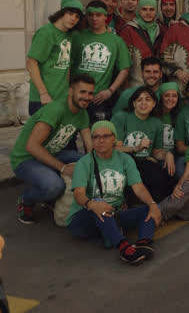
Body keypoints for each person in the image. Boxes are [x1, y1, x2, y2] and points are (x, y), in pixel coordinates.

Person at [66, 120, 161, 265]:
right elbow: (79, 194)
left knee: (151, 207)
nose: (100, 140)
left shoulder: (125, 159)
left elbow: (139, 187)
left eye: (105, 136)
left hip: (113, 214)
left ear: (114, 139)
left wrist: (152, 203)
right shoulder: (84, 163)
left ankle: (143, 243)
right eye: (96, 137)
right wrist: (91, 204)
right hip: (84, 220)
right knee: (99, 203)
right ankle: (124, 248)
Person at [12, 75, 94, 224]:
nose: (87, 97)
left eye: (90, 93)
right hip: (26, 159)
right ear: (70, 91)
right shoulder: (55, 110)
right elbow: (32, 147)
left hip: (52, 153)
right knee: (54, 186)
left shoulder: (83, 113)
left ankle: (48, 196)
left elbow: (90, 147)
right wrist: (62, 168)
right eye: (82, 92)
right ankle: (26, 199)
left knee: (86, 161)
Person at [72, 0, 131, 123]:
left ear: (105, 16)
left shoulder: (116, 41)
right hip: (76, 96)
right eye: (90, 15)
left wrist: (110, 90)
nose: (94, 18)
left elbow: (124, 69)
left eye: (98, 15)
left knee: (98, 136)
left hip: (99, 98)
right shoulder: (77, 37)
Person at [112, 87, 175, 202]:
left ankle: (158, 209)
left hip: (144, 161)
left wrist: (168, 154)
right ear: (133, 103)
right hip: (123, 161)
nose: (143, 103)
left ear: (154, 104)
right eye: (139, 100)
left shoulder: (156, 123)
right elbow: (114, 148)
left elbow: (156, 152)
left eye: (148, 99)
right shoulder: (121, 117)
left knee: (163, 177)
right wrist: (135, 148)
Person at [26, 0, 83, 115]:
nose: (73, 18)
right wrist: (43, 93)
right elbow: (31, 63)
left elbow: (66, 65)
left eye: (77, 16)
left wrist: (67, 91)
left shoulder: (69, 35)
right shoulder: (46, 32)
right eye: (70, 13)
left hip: (61, 97)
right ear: (61, 13)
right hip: (43, 99)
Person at [120, 0, 165, 88]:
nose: (148, 13)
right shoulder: (129, 30)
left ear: (156, 12)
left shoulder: (161, 30)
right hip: (136, 82)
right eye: (144, 9)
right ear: (138, 11)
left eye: (151, 9)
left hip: (156, 82)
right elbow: (124, 61)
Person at [157, 82, 180, 157]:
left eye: (174, 96)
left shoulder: (179, 115)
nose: (170, 99)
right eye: (166, 95)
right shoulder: (153, 115)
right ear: (161, 97)